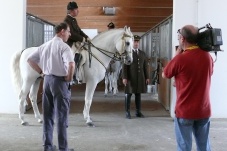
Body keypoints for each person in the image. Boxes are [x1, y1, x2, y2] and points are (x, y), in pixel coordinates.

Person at [162, 25, 213, 151]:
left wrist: (176, 55)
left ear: (183, 39)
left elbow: (165, 74)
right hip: (203, 110)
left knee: (184, 147)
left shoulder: (180, 59)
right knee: (204, 146)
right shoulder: (208, 57)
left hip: (185, 111)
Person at [27, 22, 75, 151]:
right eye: (69, 31)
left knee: (47, 116)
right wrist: (69, 78)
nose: (69, 34)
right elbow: (71, 65)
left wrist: (41, 72)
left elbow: (30, 60)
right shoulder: (64, 47)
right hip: (60, 83)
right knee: (61, 117)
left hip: (47, 81)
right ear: (62, 31)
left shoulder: (44, 46)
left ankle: (47, 146)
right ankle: (63, 148)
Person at [122, 35, 150, 119]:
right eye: (134, 42)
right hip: (130, 77)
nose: (136, 43)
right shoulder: (127, 53)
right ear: (131, 42)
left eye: (137, 42)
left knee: (138, 94)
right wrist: (124, 77)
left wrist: (147, 77)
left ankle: (138, 112)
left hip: (140, 77)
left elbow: (145, 66)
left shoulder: (142, 53)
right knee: (128, 94)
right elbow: (124, 66)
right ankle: (127, 112)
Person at [64, 1, 91, 84]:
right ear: (71, 11)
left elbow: (79, 31)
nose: (78, 11)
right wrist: (82, 39)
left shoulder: (74, 20)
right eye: (76, 9)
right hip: (70, 43)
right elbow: (71, 34)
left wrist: (87, 37)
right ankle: (74, 75)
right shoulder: (67, 20)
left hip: (76, 43)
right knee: (78, 54)